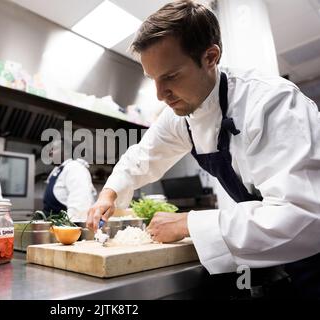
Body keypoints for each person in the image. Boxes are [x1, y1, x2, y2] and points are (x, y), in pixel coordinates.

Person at [86, 0, 320, 299]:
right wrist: (110, 193)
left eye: (170, 77)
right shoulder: (181, 116)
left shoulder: (272, 103)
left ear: (210, 57)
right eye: (153, 80)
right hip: (276, 263)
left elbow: (302, 216)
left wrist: (189, 223)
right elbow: (143, 157)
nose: (160, 95)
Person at [43, 139, 96, 221]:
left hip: (63, 227)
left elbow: (80, 205)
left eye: (54, 149)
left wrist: (70, 228)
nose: (50, 153)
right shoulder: (58, 170)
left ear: (66, 151)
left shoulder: (75, 168)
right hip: (52, 225)